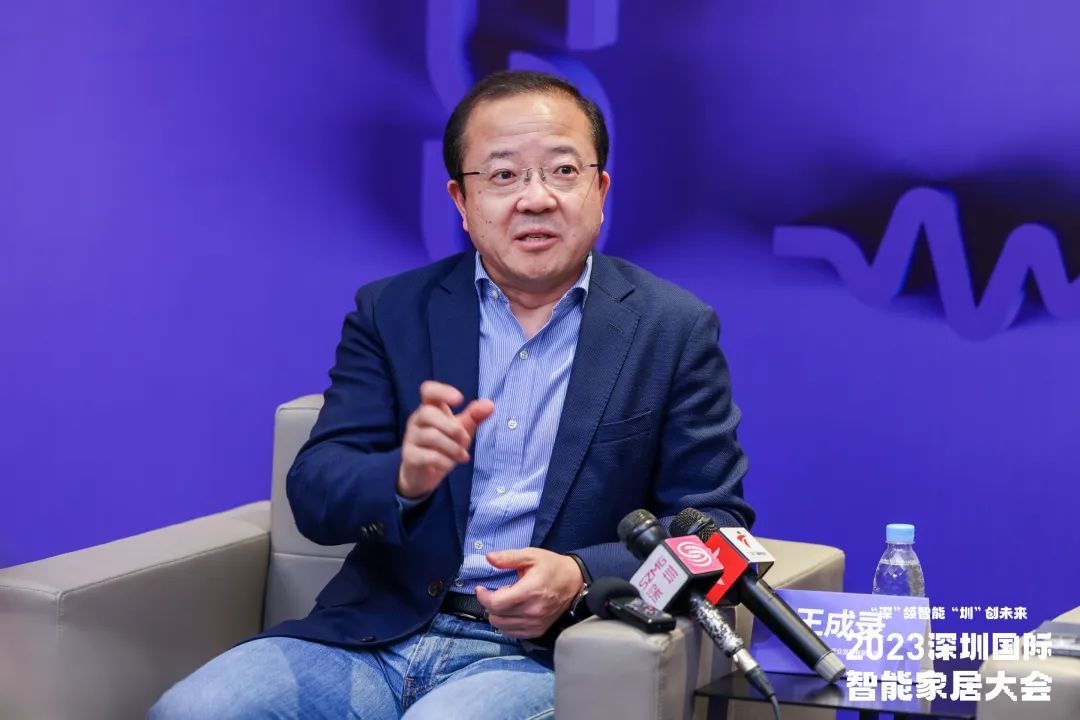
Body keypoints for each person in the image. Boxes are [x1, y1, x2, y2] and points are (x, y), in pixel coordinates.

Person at [151, 70, 753, 719]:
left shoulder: (671, 328)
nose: (536, 198)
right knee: (192, 711)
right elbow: (315, 493)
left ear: (600, 190)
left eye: (562, 171)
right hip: (373, 639)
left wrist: (581, 574)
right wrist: (402, 478)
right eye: (503, 175)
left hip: (544, 654)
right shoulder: (393, 312)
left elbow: (716, 526)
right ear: (461, 201)